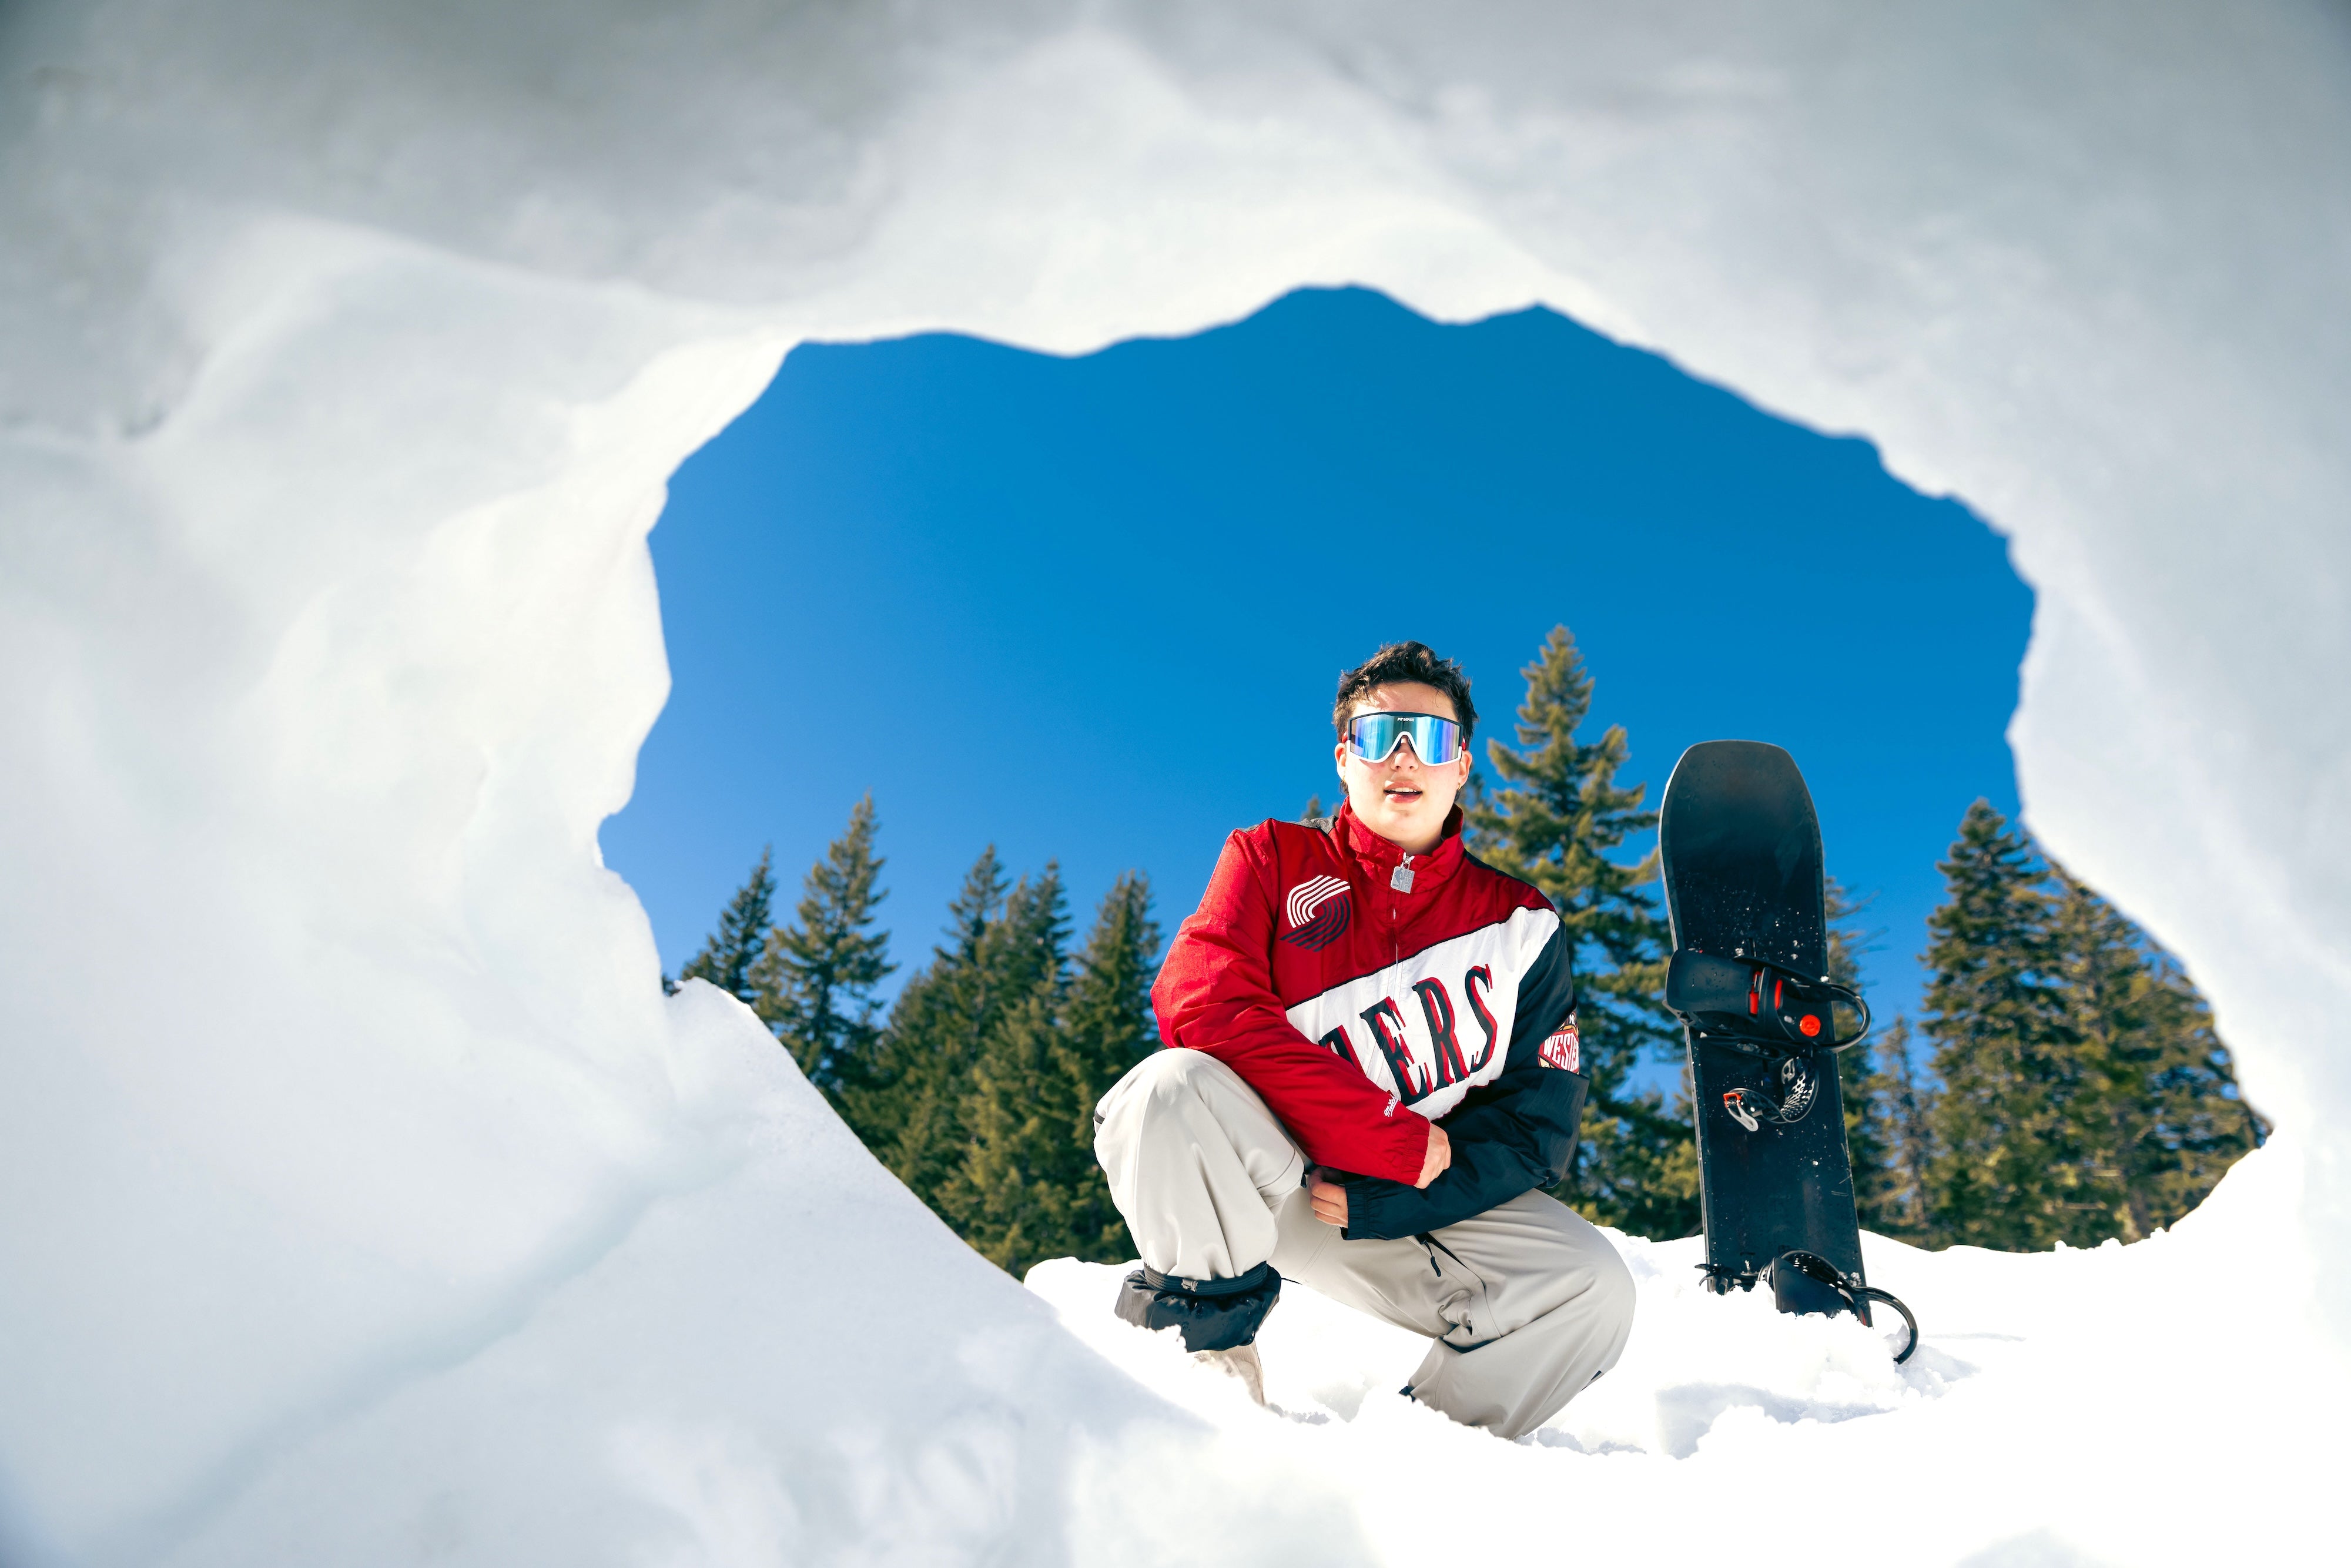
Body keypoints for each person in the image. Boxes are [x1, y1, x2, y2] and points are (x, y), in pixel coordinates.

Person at [1092, 640, 1635, 1438]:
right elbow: (1201, 1005)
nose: (1405, 758)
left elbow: (1537, 1132)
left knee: (1594, 1288)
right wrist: (1381, 1137)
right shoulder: (1272, 859)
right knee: (1165, 1091)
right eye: (1382, 738)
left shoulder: (1521, 924)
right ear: (1346, 760)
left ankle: (1414, 1462)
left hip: (1411, 1209)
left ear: (1463, 767)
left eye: (1433, 739)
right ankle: (1205, 1414)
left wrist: (1397, 1190)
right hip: (1277, 1188)